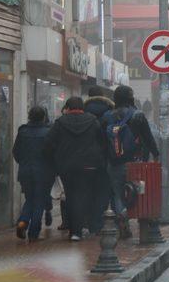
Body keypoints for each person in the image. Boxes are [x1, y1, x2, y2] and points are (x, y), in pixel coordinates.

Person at [44, 97, 106, 241]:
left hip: (67, 166)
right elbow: (102, 142)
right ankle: (86, 227)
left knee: (71, 197)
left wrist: (55, 159)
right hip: (89, 166)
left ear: (68, 107)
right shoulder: (93, 121)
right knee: (85, 195)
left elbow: (48, 143)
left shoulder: (60, 123)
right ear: (82, 107)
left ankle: (75, 231)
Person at [102, 86, 159, 238]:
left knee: (118, 194)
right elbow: (148, 138)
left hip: (114, 163)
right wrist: (156, 154)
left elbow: (102, 140)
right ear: (131, 98)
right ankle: (138, 224)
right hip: (136, 163)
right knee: (139, 193)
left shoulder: (107, 116)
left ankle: (121, 215)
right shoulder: (138, 115)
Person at [13, 106, 52, 241]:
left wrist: (23, 163)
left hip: (25, 172)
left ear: (29, 116)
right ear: (43, 117)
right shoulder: (48, 132)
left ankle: (22, 222)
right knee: (39, 201)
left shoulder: (22, 131)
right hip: (43, 172)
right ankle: (34, 233)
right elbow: (51, 154)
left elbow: (16, 152)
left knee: (30, 199)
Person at [84, 86, 115, 234]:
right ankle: (97, 223)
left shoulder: (82, 111)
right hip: (104, 159)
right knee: (102, 192)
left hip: (84, 159)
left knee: (85, 191)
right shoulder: (110, 113)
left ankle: (87, 223)